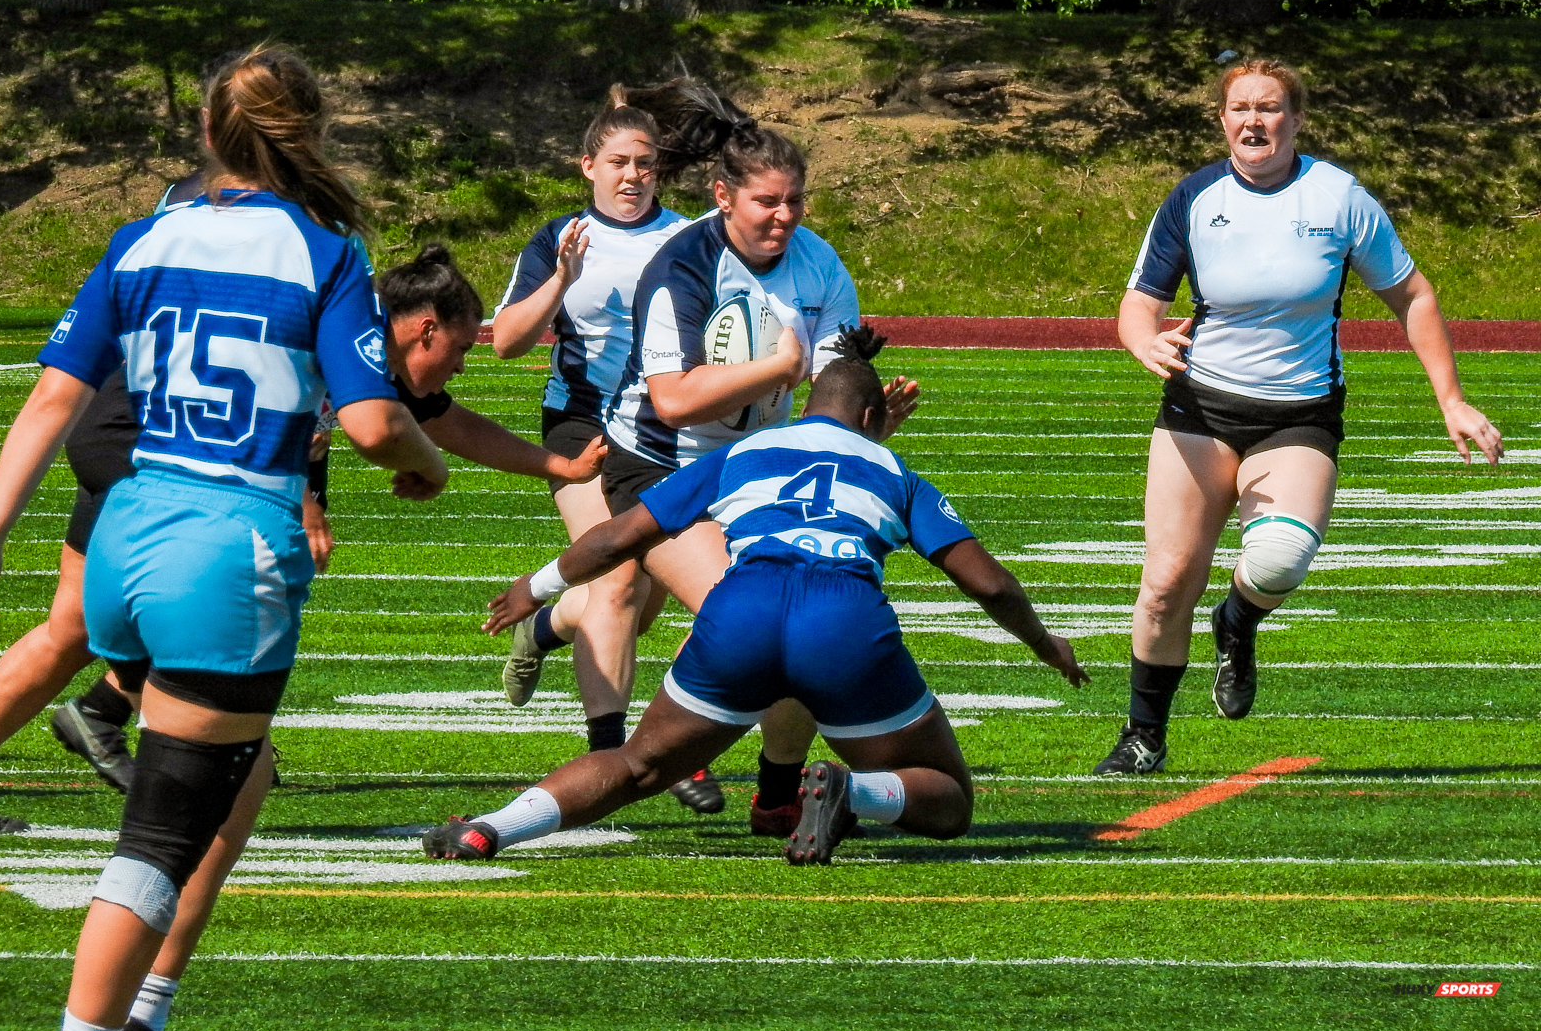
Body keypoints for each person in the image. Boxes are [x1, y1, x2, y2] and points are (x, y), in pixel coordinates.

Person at [0, 44, 450, 1031]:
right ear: (305, 134)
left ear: (208, 137)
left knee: (239, 774)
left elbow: (54, 395)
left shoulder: (142, 239)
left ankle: (143, 1017)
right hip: (226, 553)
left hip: (127, 533)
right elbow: (368, 423)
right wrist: (428, 463)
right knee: (159, 838)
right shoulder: (323, 252)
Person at [423, 327, 1086, 866]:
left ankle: (490, 829)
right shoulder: (892, 469)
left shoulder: (747, 452)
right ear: (872, 417)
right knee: (946, 799)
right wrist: (1043, 642)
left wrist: (533, 589)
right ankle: (853, 793)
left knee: (634, 767)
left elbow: (617, 536)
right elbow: (988, 581)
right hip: (842, 620)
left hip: (742, 611)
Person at [1094, 57, 1504, 776]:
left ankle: (1237, 621)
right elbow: (1139, 302)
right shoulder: (1193, 197)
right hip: (1198, 407)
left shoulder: (1338, 198)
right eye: (1240, 108)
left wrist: (1452, 398)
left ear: (1297, 119)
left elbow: (1413, 294)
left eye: (1270, 107)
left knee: (1279, 559)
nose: (1255, 120)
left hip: (1298, 414)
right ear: (1222, 120)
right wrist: (1143, 340)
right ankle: (1142, 737)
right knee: (1164, 585)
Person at [593, 80, 919, 828]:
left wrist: (863, 427)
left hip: (762, 465)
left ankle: (777, 789)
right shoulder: (682, 265)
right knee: (753, 615)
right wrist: (777, 368)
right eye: (767, 203)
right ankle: (674, 746)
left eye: (794, 202)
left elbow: (825, 391)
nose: (783, 218)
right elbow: (672, 399)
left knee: (795, 613)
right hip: (663, 463)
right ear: (723, 196)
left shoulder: (818, 262)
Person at [490, 91, 688, 758]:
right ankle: (610, 750)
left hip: (662, 431)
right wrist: (560, 279)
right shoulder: (560, 236)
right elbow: (507, 343)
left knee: (639, 597)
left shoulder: (690, 238)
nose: (633, 175)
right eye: (619, 162)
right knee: (621, 576)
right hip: (582, 425)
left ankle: (547, 626)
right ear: (588, 167)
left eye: (646, 164)